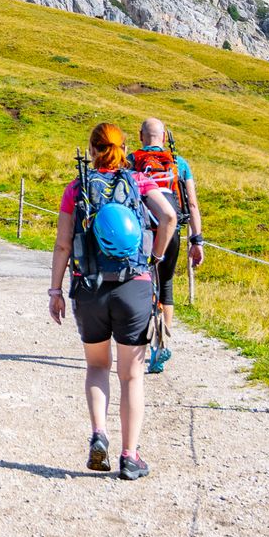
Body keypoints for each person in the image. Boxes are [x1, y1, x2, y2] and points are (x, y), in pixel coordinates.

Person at [50, 121, 176, 480]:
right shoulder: (138, 182)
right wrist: (155, 259)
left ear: (91, 150)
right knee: (132, 375)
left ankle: (99, 434)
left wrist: (56, 290)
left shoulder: (76, 189)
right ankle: (130, 455)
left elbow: (62, 244)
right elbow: (168, 216)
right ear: (123, 148)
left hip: (89, 287)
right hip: (133, 287)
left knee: (97, 367)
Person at [131, 118, 206, 375]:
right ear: (164, 137)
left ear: (141, 135)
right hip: (171, 229)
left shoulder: (131, 160)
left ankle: (137, 345)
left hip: (141, 232)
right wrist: (197, 240)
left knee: (139, 284)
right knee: (166, 285)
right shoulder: (179, 164)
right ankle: (160, 347)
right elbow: (192, 204)